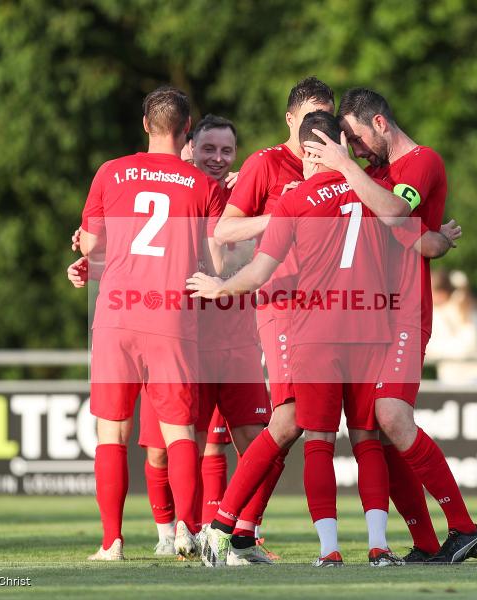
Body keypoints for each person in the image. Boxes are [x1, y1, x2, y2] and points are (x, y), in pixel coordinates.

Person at [192, 109, 416, 567]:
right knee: (367, 439)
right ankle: (379, 547)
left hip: (315, 334)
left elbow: (258, 271)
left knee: (317, 440)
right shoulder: (373, 193)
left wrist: (220, 286)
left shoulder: (296, 200)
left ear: (310, 149)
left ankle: (329, 551)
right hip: (371, 331)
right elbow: (404, 220)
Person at [306, 87, 477, 563]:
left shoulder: (422, 162)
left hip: (406, 312)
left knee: (390, 416)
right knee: (378, 433)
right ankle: (427, 544)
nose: (356, 151)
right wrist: (433, 240)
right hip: (370, 317)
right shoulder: (376, 175)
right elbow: (411, 236)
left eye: (358, 140)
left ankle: (464, 529)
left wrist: (346, 167)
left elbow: (395, 211)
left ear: (380, 123)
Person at [66, 86, 223, 561]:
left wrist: (87, 252)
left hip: (116, 315)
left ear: (144, 126)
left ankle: (111, 541)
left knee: (111, 433)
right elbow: (215, 259)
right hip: (171, 316)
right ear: (187, 130)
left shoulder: (110, 172)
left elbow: (92, 245)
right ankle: (185, 530)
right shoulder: (203, 185)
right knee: (179, 433)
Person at [134, 115, 270, 559]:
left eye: (226, 151)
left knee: (257, 441)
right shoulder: (176, 195)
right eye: (208, 149)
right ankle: (172, 531)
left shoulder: (242, 199)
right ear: (188, 147)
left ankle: (236, 533)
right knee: (166, 449)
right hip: (179, 340)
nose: (217, 158)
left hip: (235, 340)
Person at [426, 269, 477, 383]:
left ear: (441, 292)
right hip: (450, 379)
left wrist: (443, 350)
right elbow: (428, 349)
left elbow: (471, 344)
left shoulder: (467, 307)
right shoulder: (433, 313)